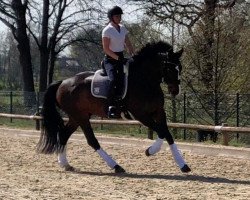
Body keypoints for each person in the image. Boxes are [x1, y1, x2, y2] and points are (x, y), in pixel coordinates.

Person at [102, 6, 134, 118]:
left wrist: (132, 54)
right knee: (113, 80)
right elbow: (106, 49)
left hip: (121, 57)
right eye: (117, 16)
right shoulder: (107, 30)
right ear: (111, 17)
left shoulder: (123, 28)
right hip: (110, 59)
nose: (119, 18)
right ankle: (109, 106)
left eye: (120, 16)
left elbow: (128, 43)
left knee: (126, 81)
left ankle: (124, 107)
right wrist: (117, 58)